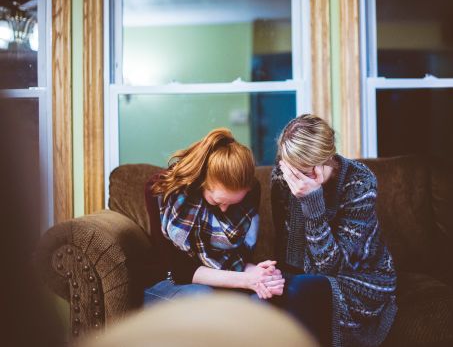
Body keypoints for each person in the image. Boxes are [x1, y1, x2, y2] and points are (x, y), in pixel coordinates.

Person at [271, 114, 397, 347]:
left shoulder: (359, 182)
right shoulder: (282, 177)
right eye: (291, 170)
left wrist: (312, 201)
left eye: (304, 172)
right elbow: (288, 251)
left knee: (300, 290)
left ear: (327, 159)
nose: (294, 180)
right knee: (268, 291)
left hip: (360, 278)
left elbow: (329, 268)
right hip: (306, 274)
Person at [144, 128, 284, 304]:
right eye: (217, 202)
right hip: (169, 281)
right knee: (204, 297)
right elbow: (180, 270)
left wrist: (261, 274)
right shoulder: (160, 190)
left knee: (263, 300)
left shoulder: (251, 193)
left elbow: (238, 260)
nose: (225, 210)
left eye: (232, 203)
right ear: (202, 183)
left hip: (221, 280)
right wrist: (247, 280)